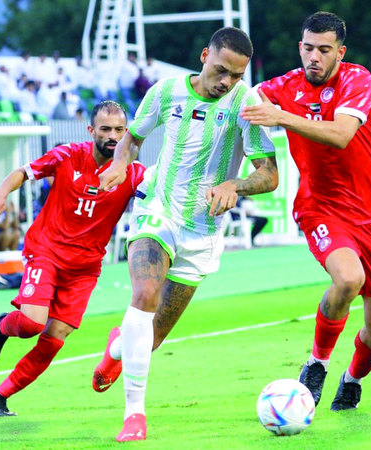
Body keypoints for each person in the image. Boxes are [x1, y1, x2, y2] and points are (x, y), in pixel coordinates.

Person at [92, 27, 278, 442]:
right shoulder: (164, 91)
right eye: (220, 70)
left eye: (235, 75)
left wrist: (235, 186)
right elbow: (132, 140)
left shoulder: (246, 104)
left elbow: (269, 175)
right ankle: (134, 416)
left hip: (203, 229)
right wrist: (121, 165)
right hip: (157, 209)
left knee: (151, 337)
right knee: (143, 294)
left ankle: (118, 348)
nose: (225, 81)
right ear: (203, 56)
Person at [241, 11, 371, 413]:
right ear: (300, 47)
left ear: (340, 52)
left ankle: (353, 380)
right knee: (348, 279)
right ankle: (317, 363)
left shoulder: (357, 79)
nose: (314, 56)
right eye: (308, 48)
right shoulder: (280, 87)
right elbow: (240, 101)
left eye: (324, 50)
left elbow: (342, 135)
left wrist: (280, 116)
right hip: (321, 208)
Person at [0, 101, 146, 417]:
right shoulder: (68, 155)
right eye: (106, 129)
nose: (113, 136)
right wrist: (0, 194)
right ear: (91, 130)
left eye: (119, 130)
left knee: (54, 339)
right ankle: (3, 326)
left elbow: (162, 193)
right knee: (30, 324)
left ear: (127, 133)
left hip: (84, 269)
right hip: (47, 252)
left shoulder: (134, 173)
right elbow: (23, 173)